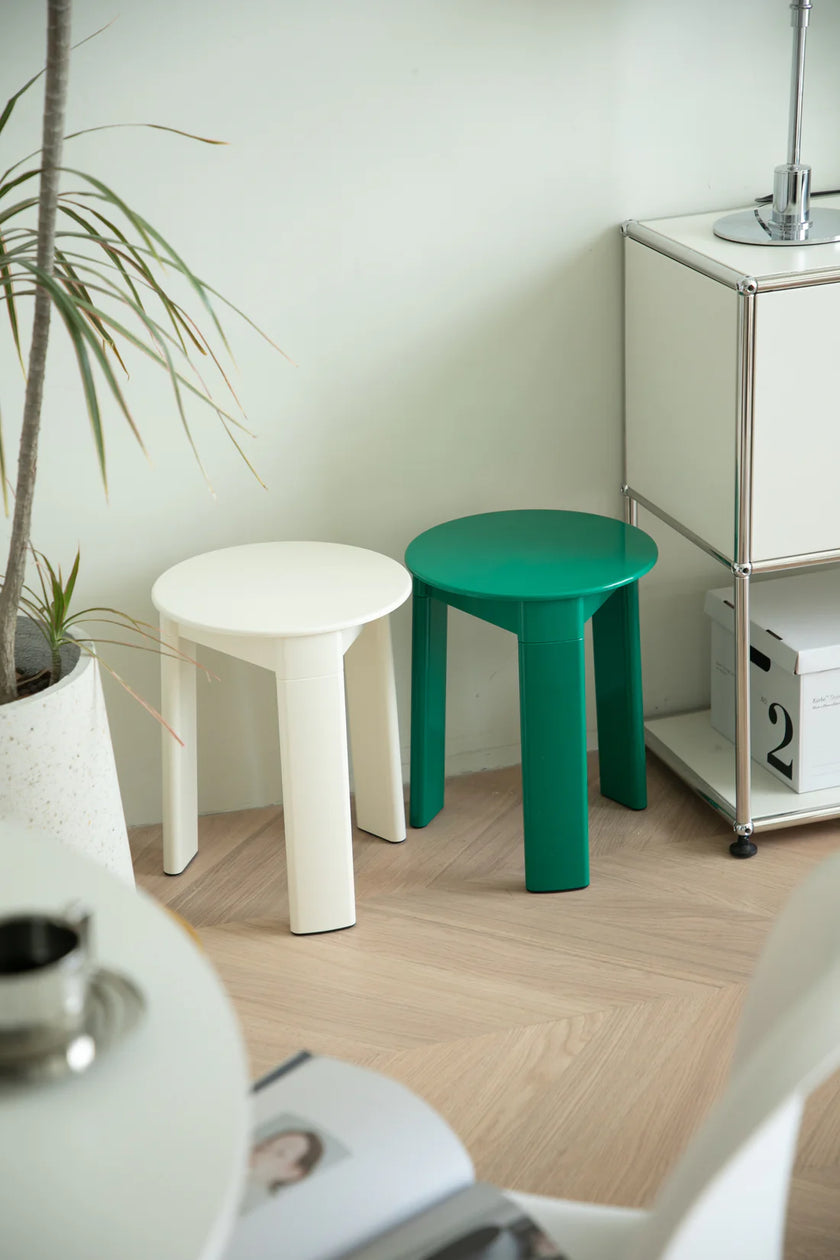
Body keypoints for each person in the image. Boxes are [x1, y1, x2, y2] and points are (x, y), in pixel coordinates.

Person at [241, 1127, 325, 1213]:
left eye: (280, 1153)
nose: (262, 1151)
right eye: (268, 1143)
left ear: (293, 1172)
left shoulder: (259, 1206)